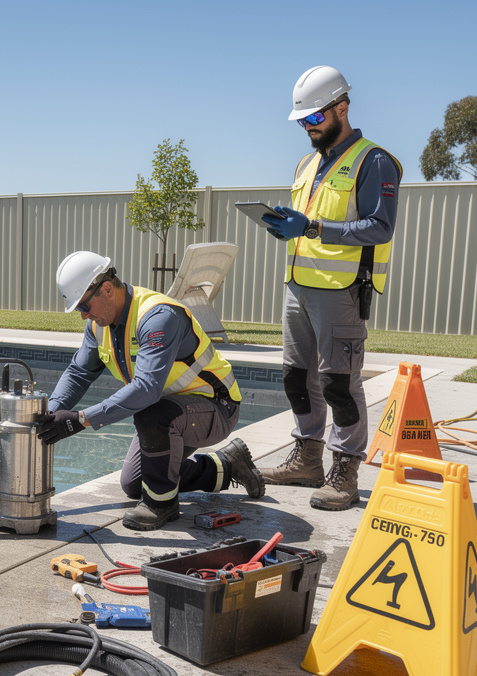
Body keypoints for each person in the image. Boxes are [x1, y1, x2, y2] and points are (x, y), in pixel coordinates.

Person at [33, 250, 264, 531]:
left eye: (84, 305)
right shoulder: (98, 326)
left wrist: (81, 419)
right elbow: (79, 373)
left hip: (217, 406)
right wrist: (51, 413)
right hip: (173, 409)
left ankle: (161, 505)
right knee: (135, 483)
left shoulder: (158, 316)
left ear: (107, 289)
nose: (83, 316)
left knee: (151, 418)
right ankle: (229, 465)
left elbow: (146, 389)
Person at [258, 65, 403, 511]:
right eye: (302, 121)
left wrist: (314, 227)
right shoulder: (308, 164)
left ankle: (345, 471)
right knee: (296, 378)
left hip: (342, 291)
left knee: (339, 383)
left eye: (315, 118)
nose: (308, 127)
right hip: (298, 286)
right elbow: (306, 223)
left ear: (342, 107)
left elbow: (380, 227)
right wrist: (287, 227)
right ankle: (306, 460)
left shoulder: (374, 161)